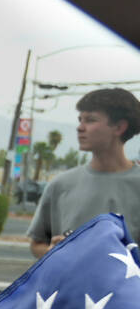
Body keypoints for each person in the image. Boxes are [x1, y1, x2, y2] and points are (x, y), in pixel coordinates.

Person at [28, 87, 140, 258]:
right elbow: (37, 243)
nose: (80, 128)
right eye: (80, 120)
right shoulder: (60, 185)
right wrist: (52, 251)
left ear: (119, 127)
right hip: (68, 285)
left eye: (90, 120)